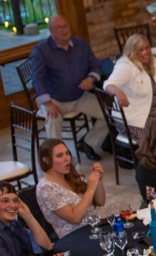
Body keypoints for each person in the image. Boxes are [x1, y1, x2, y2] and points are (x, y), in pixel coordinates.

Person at [28, 17, 112, 168]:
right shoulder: (41, 50)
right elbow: (37, 79)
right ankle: (57, 161)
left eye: (65, 25)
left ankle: (88, 143)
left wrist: (90, 78)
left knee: (109, 114)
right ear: (51, 31)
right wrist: (47, 103)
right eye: (59, 27)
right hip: (55, 99)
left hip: (80, 96)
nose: (64, 30)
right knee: (52, 121)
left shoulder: (80, 44)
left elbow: (95, 65)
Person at [34, 138, 116, 238]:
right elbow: (75, 218)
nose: (67, 158)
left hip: (92, 229)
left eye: (67, 153)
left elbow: (99, 202)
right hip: (74, 238)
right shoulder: (46, 188)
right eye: (59, 155)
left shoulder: (69, 176)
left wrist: (97, 180)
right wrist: (90, 189)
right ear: (46, 160)